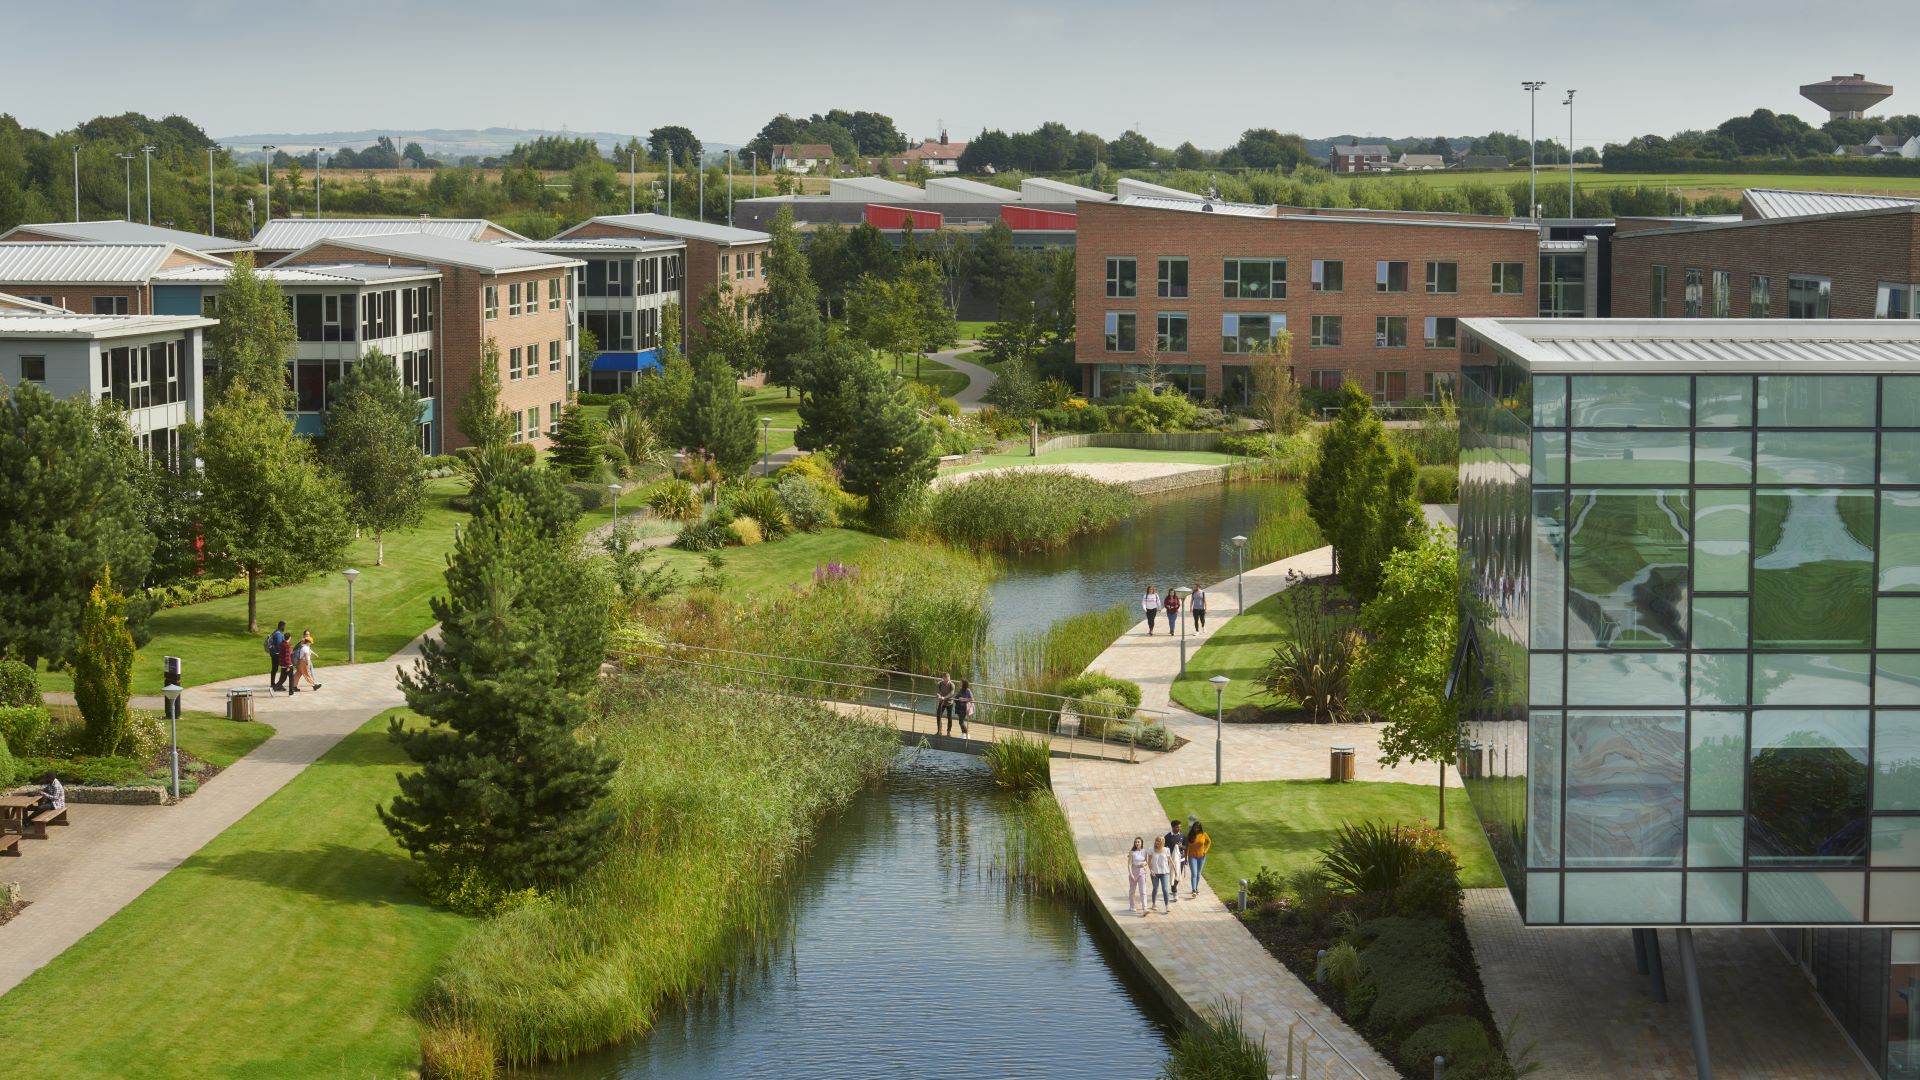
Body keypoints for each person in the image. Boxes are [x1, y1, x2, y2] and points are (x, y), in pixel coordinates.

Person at [1185, 816, 1211, 899]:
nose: (1196, 829)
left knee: (1198, 873)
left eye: (1198, 828)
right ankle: (1193, 890)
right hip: (1192, 857)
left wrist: (1205, 850)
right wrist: (1186, 858)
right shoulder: (1190, 835)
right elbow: (1187, 848)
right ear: (1193, 828)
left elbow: (1209, 842)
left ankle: (1196, 888)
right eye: (1195, 827)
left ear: (1200, 828)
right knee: (1194, 873)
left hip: (1202, 857)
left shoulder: (1203, 834)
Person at [1163, 819, 1188, 905]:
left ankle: (1173, 887)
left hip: (1181, 859)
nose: (1179, 828)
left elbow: (1186, 847)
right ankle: (1174, 892)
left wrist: (1182, 847)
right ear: (1173, 827)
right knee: (1172, 876)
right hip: (1170, 860)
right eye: (1177, 827)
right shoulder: (1167, 837)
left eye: (1180, 827)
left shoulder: (1182, 836)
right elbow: (1164, 849)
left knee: (1178, 876)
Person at [1149, 836, 1173, 913]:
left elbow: (1170, 860)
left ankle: (1167, 906)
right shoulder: (1151, 850)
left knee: (1165, 889)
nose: (1157, 842)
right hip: (1154, 873)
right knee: (1155, 888)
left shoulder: (1167, 850)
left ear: (1163, 842)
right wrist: (1151, 870)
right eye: (1156, 840)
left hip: (1164, 873)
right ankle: (1154, 904)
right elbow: (1149, 862)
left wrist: (1175, 870)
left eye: (1159, 841)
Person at [1127, 836, 1149, 915]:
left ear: (1141, 843)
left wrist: (1144, 863)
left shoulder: (1144, 851)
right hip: (1133, 871)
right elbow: (1129, 864)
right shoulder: (1132, 852)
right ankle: (1132, 906)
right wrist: (1131, 874)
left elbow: (1147, 861)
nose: (1137, 843)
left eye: (1138, 842)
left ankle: (1145, 907)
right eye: (1136, 842)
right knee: (1132, 891)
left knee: (1143, 890)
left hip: (1142, 872)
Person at [265, 621, 288, 691]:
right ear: (281, 626)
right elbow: (279, 645)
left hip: (273, 653)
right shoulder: (278, 634)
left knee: (274, 669)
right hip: (277, 654)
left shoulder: (275, 632)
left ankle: (273, 684)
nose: (284, 628)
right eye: (284, 626)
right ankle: (278, 685)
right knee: (283, 669)